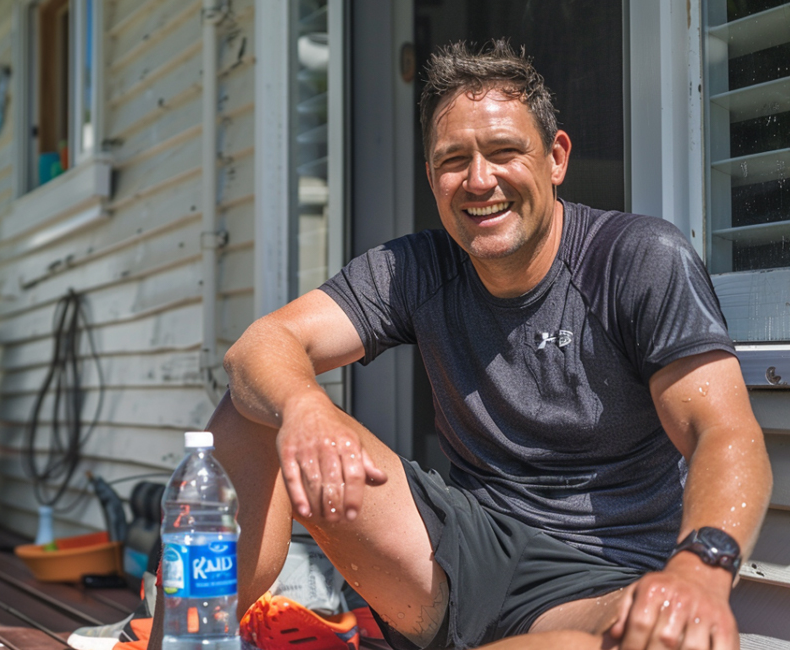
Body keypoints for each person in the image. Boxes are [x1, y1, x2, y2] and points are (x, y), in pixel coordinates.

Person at [148, 40, 773, 650]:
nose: (480, 181)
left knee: (656, 640)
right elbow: (261, 344)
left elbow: (725, 432)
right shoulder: (417, 267)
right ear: (431, 175)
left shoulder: (637, 259)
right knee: (256, 403)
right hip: (453, 555)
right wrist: (303, 408)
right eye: (454, 160)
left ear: (556, 157)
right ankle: (188, 629)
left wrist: (700, 568)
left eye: (505, 151)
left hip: (598, 586)